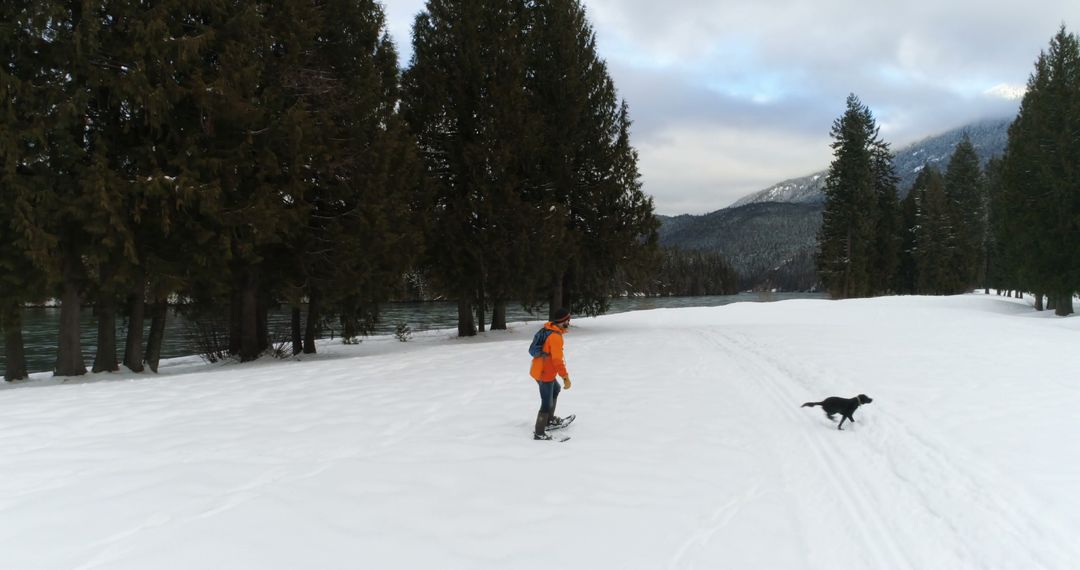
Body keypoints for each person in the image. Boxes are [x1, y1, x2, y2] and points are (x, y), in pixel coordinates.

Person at [529, 307, 572, 440]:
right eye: (568, 320)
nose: (569, 322)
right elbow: (557, 361)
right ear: (562, 321)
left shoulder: (549, 329)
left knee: (556, 389)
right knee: (546, 403)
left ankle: (549, 420)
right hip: (545, 373)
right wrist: (565, 377)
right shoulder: (555, 337)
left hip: (541, 369)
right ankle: (539, 432)